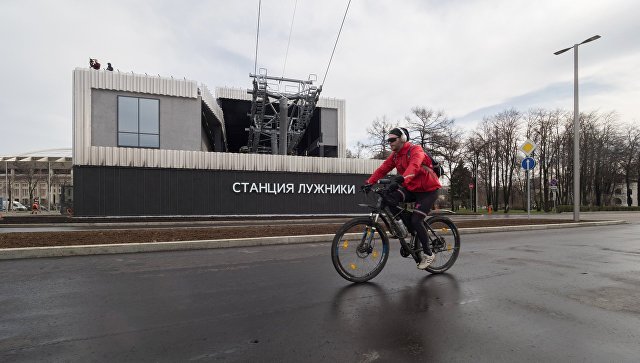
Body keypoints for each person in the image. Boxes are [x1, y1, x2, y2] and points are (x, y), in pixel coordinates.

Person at [363, 127, 442, 269]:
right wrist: (369, 183)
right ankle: (406, 227)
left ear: (402, 139)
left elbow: (414, 166)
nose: (390, 143)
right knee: (389, 197)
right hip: (412, 188)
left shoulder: (416, 150)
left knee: (417, 220)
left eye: (392, 139)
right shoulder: (395, 155)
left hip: (428, 190)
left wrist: (401, 179)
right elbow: (383, 169)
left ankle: (428, 254)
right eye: (388, 140)